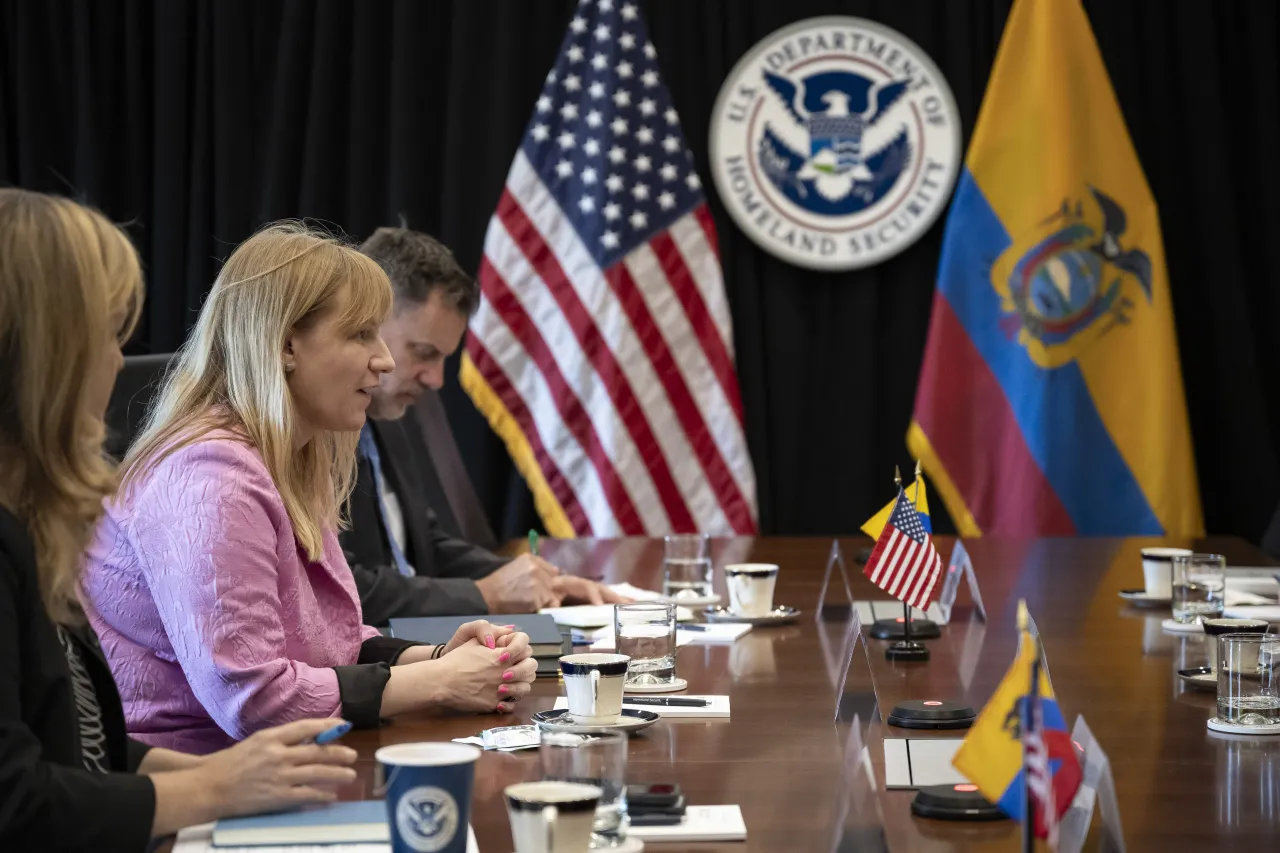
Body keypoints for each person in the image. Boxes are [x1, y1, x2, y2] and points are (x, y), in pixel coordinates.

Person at [81, 223, 536, 756]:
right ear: (287, 343)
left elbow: (325, 644)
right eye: (362, 333)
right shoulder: (210, 478)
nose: (384, 360)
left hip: (278, 765)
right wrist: (439, 682)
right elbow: (252, 698)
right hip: (199, 786)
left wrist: (437, 658)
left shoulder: (282, 458)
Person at [0, 189, 363, 851]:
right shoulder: (208, 468)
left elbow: (83, 745)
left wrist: (230, 775)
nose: (117, 360)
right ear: (37, 352)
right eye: (106, 333)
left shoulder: (29, 519)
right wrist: (217, 787)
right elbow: (15, 803)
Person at [345, 226, 625, 624]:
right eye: (424, 353)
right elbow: (341, 588)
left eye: (444, 358)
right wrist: (486, 594)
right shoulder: (312, 431)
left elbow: (426, 546)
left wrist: (542, 579)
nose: (436, 379)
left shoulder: (388, 415)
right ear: (368, 322)